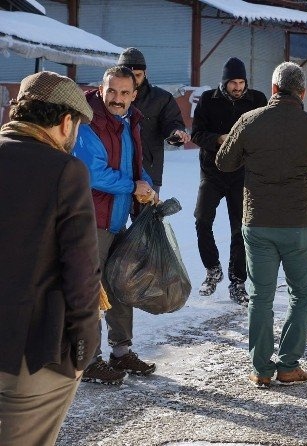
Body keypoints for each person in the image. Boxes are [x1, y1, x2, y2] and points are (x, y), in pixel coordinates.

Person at [0, 72, 100, 445]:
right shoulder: (65, 171)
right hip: (32, 350)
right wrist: (84, 344)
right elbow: (81, 270)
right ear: (65, 121)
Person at [216, 62, 307, 388]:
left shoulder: (249, 121)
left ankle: (262, 369)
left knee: (261, 296)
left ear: (273, 89)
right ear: (303, 92)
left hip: (259, 223)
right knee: (303, 293)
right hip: (299, 225)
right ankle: (289, 365)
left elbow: (223, 162)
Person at [73, 65, 157, 385]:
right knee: (92, 292)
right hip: (91, 221)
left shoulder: (127, 120)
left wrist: (146, 186)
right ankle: (89, 360)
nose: (117, 98)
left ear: (134, 95)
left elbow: (133, 166)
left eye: (124, 93)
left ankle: (120, 352)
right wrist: (133, 187)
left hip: (117, 219)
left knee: (119, 286)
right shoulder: (89, 122)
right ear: (101, 88)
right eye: (111, 91)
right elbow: (91, 174)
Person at [191, 57, 267, 303]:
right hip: (212, 173)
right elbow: (197, 134)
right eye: (233, 82)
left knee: (239, 229)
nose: (237, 87)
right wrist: (218, 139)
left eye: (241, 82)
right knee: (202, 219)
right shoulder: (207, 100)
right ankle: (212, 269)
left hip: (242, 174)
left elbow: (266, 132)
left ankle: (238, 281)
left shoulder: (257, 100)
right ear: (224, 83)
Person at [117, 47, 190, 194]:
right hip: (114, 172)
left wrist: (176, 133)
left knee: (148, 217)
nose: (133, 80)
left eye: (137, 75)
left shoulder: (161, 98)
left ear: (146, 73)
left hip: (148, 173)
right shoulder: (110, 98)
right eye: (128, 75)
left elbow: (172, 122)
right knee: (113, 217)